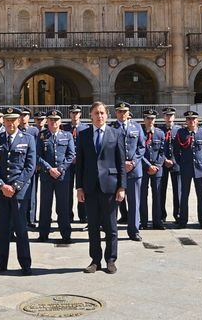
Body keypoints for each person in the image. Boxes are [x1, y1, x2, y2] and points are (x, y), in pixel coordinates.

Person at [76, 102, 126, 274]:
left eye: (102, 113)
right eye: (96, 113)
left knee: (111, 226)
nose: (99, 116)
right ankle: (95, 260)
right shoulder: (83, 135)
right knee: (93, 226)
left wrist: (122, 187)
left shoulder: (116, 133)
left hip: (110, 186)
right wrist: (79, 187)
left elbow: (121, 162)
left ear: (107, 114)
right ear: (90, 115)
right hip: (90, 187)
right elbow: (80, 164)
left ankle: (111, 259)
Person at [0, 107, 36, 275]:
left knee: (21, 229)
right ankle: (1, 263)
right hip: (2, 191)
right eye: (7, 120)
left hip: (19, 192)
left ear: (18, 121)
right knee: (3, 229)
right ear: (4, 121)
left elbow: (30, 167)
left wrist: (15, 187)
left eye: (13, 120)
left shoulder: (28, 139)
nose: (10, 123)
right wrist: (2, 185)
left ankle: (25, 264)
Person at [36, 110, 75, 243]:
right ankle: (43, 233)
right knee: (45, 206)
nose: (54, 122)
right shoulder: (41, 136)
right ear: (47, 121)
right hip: (47, 176)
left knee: (63, 206)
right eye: (51, 120)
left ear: (60, 121)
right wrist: (48, 168)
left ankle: (65, 234)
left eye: (56, 120)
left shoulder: (67, 135)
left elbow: (71, 155)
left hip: (62, 176)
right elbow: (37, 155)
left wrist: (60, 168)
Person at [173, 111, 202, 228]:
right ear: (186, 121)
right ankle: (183, 220)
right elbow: (176, 151)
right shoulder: (181, 133)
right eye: (189, 119)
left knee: (201, 195)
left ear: (197, 121)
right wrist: (182, 163)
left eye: (194, 119)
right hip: (185, 168)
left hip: (199, 168)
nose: (191, 121)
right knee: (184, 195)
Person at [113, 101, 144, 241]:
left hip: (134, 170)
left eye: (125, 111)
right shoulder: (111, 128)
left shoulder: (136, 127)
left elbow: (142, 147)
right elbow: (108, 149)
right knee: (114, 202)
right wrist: (122, 163)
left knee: (134, 202)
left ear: (128, 112)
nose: (122, 113)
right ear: (116, 113)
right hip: (117, 171)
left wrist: (133, 162)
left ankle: (134, 230)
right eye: (120, 111)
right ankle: (112, 231)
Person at [139, 109, 166, 230]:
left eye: (152, 119)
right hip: (143, 169)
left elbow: (162, 151)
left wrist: (157, 165)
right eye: (148, 118)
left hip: (157, 169)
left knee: (158, 195)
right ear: (144, 119)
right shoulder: (140, 133)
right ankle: (143, 221)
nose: (150, 121)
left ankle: (157, 221)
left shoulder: (160, 133)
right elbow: (138, 151)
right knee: (142, 195)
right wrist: (148, 165)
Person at [63, 104, 88, 223]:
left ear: (80, 114)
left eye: (77, 112)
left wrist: (79, 157)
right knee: (67, 191)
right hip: (68, 163)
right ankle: (68, 215)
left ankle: (83, 216)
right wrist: (71, 157)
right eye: (73, 112)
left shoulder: (85, 128)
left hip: (81, 163)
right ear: (70, 114)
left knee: (82, 188)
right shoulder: (64, 128)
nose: (75, 115)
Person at [159, 107, 181, 226]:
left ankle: (177, 214)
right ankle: (162, 215)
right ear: (164, 117)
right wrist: (164, 160)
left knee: (178, 191)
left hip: (176, 164)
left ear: (174, 117)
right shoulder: (159, 131)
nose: (169, 118)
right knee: (161, 191)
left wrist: (173, 160)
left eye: (171, 115)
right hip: (162, 164)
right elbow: (156, 149)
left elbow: (182, 148)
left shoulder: (179, 131)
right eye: (166, 115)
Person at [19, 108, 39, 230]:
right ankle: (21, 217)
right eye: (21, 115)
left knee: (31, 193)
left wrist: (35, 163)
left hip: (30, 166)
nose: (23, 117)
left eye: (25, 115)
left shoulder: (34, 131)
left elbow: (37, 148)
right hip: (19, 166)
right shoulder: (16, 130)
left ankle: (31, 219)